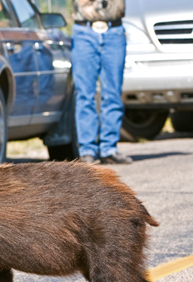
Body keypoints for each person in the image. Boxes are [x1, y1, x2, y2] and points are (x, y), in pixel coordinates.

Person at [71, 0, 132, 164]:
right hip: (84, 30)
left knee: (113, 93)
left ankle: (109, 148)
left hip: (114, 30)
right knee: (85, 94)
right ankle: (87, 150)